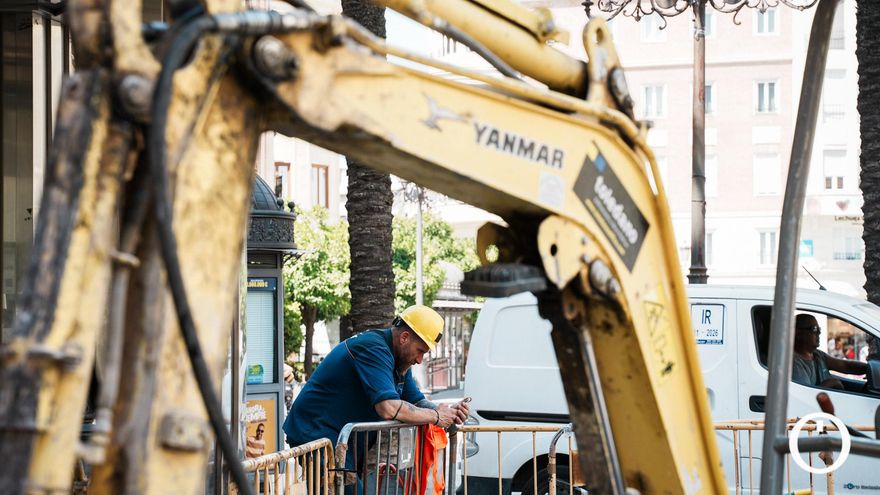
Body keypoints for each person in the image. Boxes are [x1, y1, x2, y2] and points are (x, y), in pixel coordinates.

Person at [282, 305, 469, 487]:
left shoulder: (398, 360)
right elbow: (388, 407)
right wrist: (437, 417)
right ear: (405, 337)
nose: (420, 360)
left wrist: (444, 411)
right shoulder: (374, 349)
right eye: (420, 351)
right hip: (316, 434)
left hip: (337, 440)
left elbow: (416, 400)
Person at [792, 314, 868, 389]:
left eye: (819, 329)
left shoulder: (817, 354)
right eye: (814, 329)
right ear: (798, 333)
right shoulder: (795, 363)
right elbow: (806, 395)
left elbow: (846, 366)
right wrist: (832, 383)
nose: (819, 332)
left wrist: (869, 369)